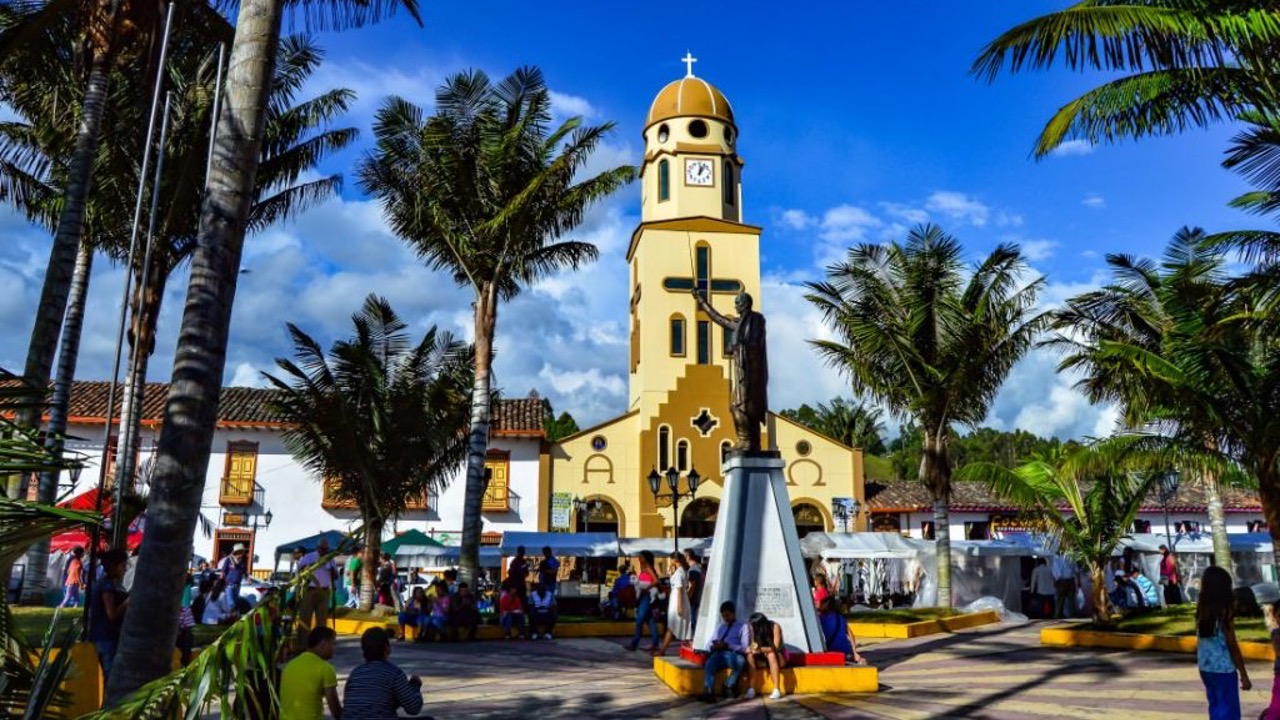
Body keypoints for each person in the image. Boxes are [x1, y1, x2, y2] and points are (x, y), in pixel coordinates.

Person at [1197, 565, 1250, 719]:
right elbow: (1231, 644)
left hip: (1206, 667)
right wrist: (1244, 674)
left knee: (1216, 706)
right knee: (1229, 710)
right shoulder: (1224, 611)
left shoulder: (1202, 609)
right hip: (1224, 668)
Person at [343, 627, 427, 720]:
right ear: (387, 648)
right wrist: (415, 686)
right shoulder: (393, 673)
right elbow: (413, 708)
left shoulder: (355, 674)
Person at [280, 626, 342, 720]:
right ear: (323, 644)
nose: (334, 649)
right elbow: (335, 709)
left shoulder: (289, 665)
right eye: (333, 644)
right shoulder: (325, 668)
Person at [88, 549, 129, 678]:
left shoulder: (105, 583)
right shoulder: (107, 586)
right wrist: (128, 602)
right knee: (110, 676)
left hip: (102, 637)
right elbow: (112, 614)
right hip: (107, 638)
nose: (125, 569)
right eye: (123, 565)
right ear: (113, 566)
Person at [699, 601, 750, 702]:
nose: (725, 618)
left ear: (733, 613)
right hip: (719, 653)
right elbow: (708, 644)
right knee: (710, 663)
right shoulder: (720, 627)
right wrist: (713, 646)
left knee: (741, 662)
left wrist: (728, 645)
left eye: (727, 615)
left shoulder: (743, 627)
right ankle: (709, 691)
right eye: (723, 616)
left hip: (733, 654)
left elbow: (745, 647)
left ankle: (729, 685)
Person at [296, 538, 339, 648]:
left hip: (324, 591)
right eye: (322, 549)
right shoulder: (309, 557)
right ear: (317, 548)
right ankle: (303, 646)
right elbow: (299, 572)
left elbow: (336, 576)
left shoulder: (330, 559)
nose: (324, 551)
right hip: (309, 590)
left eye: (326, 549)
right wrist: (310, 567)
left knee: (322, 621)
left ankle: (320, 646)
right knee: (305, 619)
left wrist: (331, 569)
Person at [657, 551, 692, 656]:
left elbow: (680, 590)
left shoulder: (679, 573)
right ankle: (664, 650)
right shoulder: (681, 571)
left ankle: (662, 650)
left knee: (672, 626)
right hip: (678, 599)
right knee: (677, 626)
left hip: (678, 599)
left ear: (675, 560)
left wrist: (679, 606)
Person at [746, 612, 787, 700]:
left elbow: (775, 647)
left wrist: (761, 649)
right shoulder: (754, 629)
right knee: (750, 655)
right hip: (764, 657)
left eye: (754, 625)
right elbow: (754, 644)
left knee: (771, 654)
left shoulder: (775, 626)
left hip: (779, 657)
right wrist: (752, 649)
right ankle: (751, 689)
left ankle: (776, 689)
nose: (752, 627)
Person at [628, 551, 660, 652]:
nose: (639, 558)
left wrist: (648, 588)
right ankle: (655, 643)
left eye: (641, 556)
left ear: (646, 558)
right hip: (643, 596)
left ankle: (634, 643)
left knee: (640, 619)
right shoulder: (642, 569)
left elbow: (656, 581)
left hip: (647, 596)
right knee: (650, 621)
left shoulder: (647, 568)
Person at [818, 596, 865, 665]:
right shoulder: (840, 618)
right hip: (846, 652)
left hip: (832, 652)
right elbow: (851, 635)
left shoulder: (820, 619)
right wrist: (854, 652)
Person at [1051, 553, 1077, 618]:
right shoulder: (1071, 557)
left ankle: (1057, 615)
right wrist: (1078, 581)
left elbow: (1055, 571)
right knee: (1071, 600)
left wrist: (1055, 581)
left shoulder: (1056, 559)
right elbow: (1076, 570)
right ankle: (1072, 615)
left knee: (1060, 600)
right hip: (1071, 580)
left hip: (1061, 581)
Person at [684, 549, 704, 630]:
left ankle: (693, 640)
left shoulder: (693, 569)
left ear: (688, 557)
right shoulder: (700, 567)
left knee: (693, 622)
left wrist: (687, 597)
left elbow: (692, 585)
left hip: (694, 600)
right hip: (699, 598)